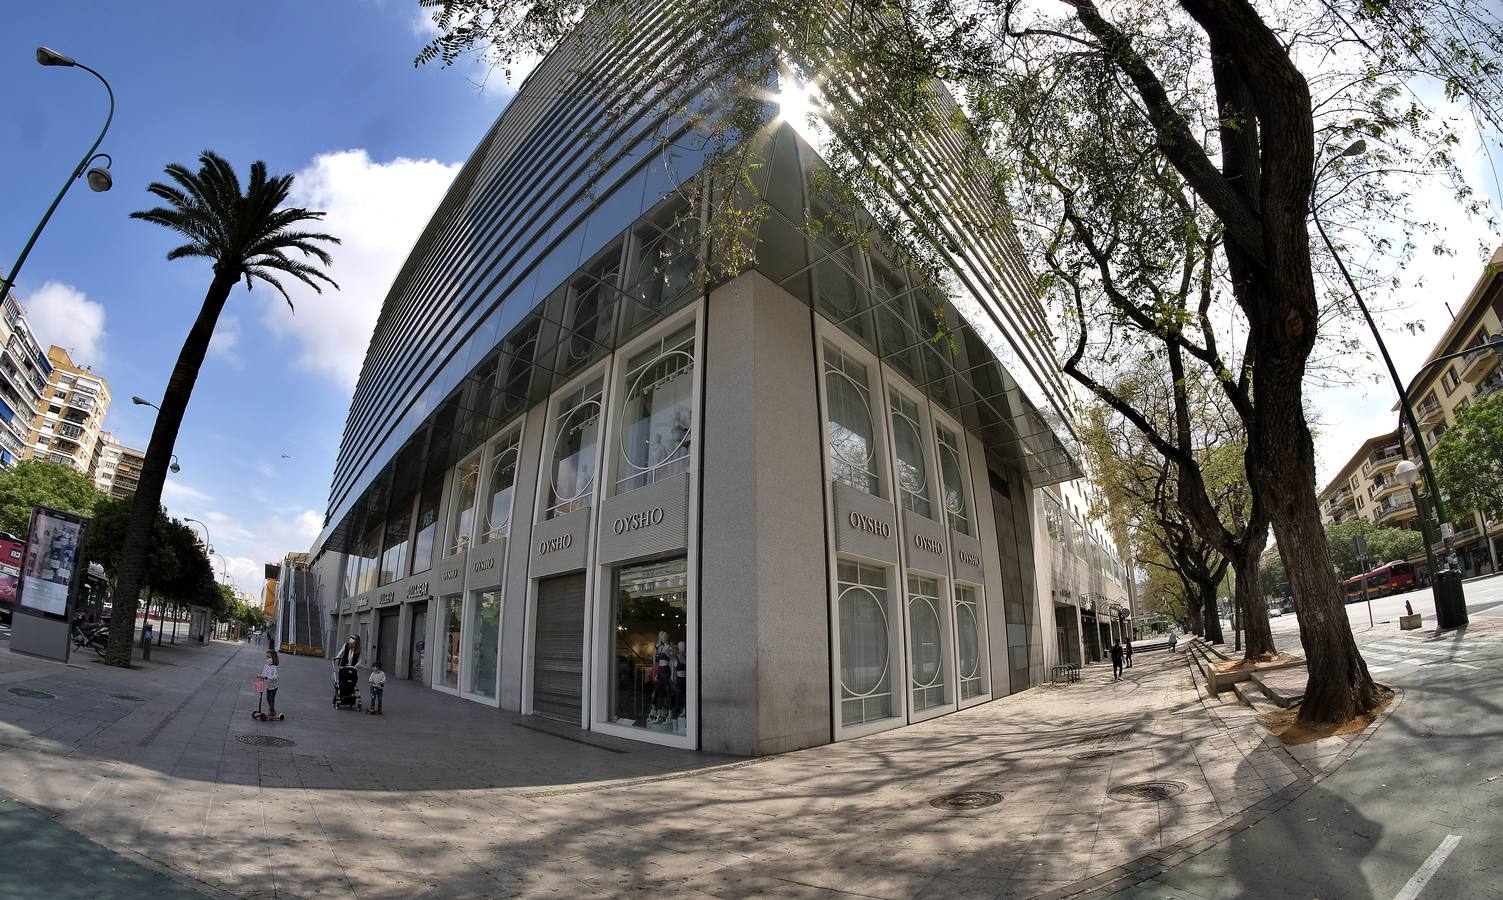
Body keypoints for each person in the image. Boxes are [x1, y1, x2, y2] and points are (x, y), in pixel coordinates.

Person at [262, 650, 281, 718]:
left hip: (274, 686)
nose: (267, 659)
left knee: (271, 698)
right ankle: (272, 711)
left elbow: (275, 676)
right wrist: (262, 676)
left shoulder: (274, 667)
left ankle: (271, 711)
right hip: (268, 685)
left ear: (273, 658)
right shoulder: (266, 666)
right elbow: (264, 673)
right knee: (268, 698)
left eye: (269, 657)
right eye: (267, 657)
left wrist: (268, 677)